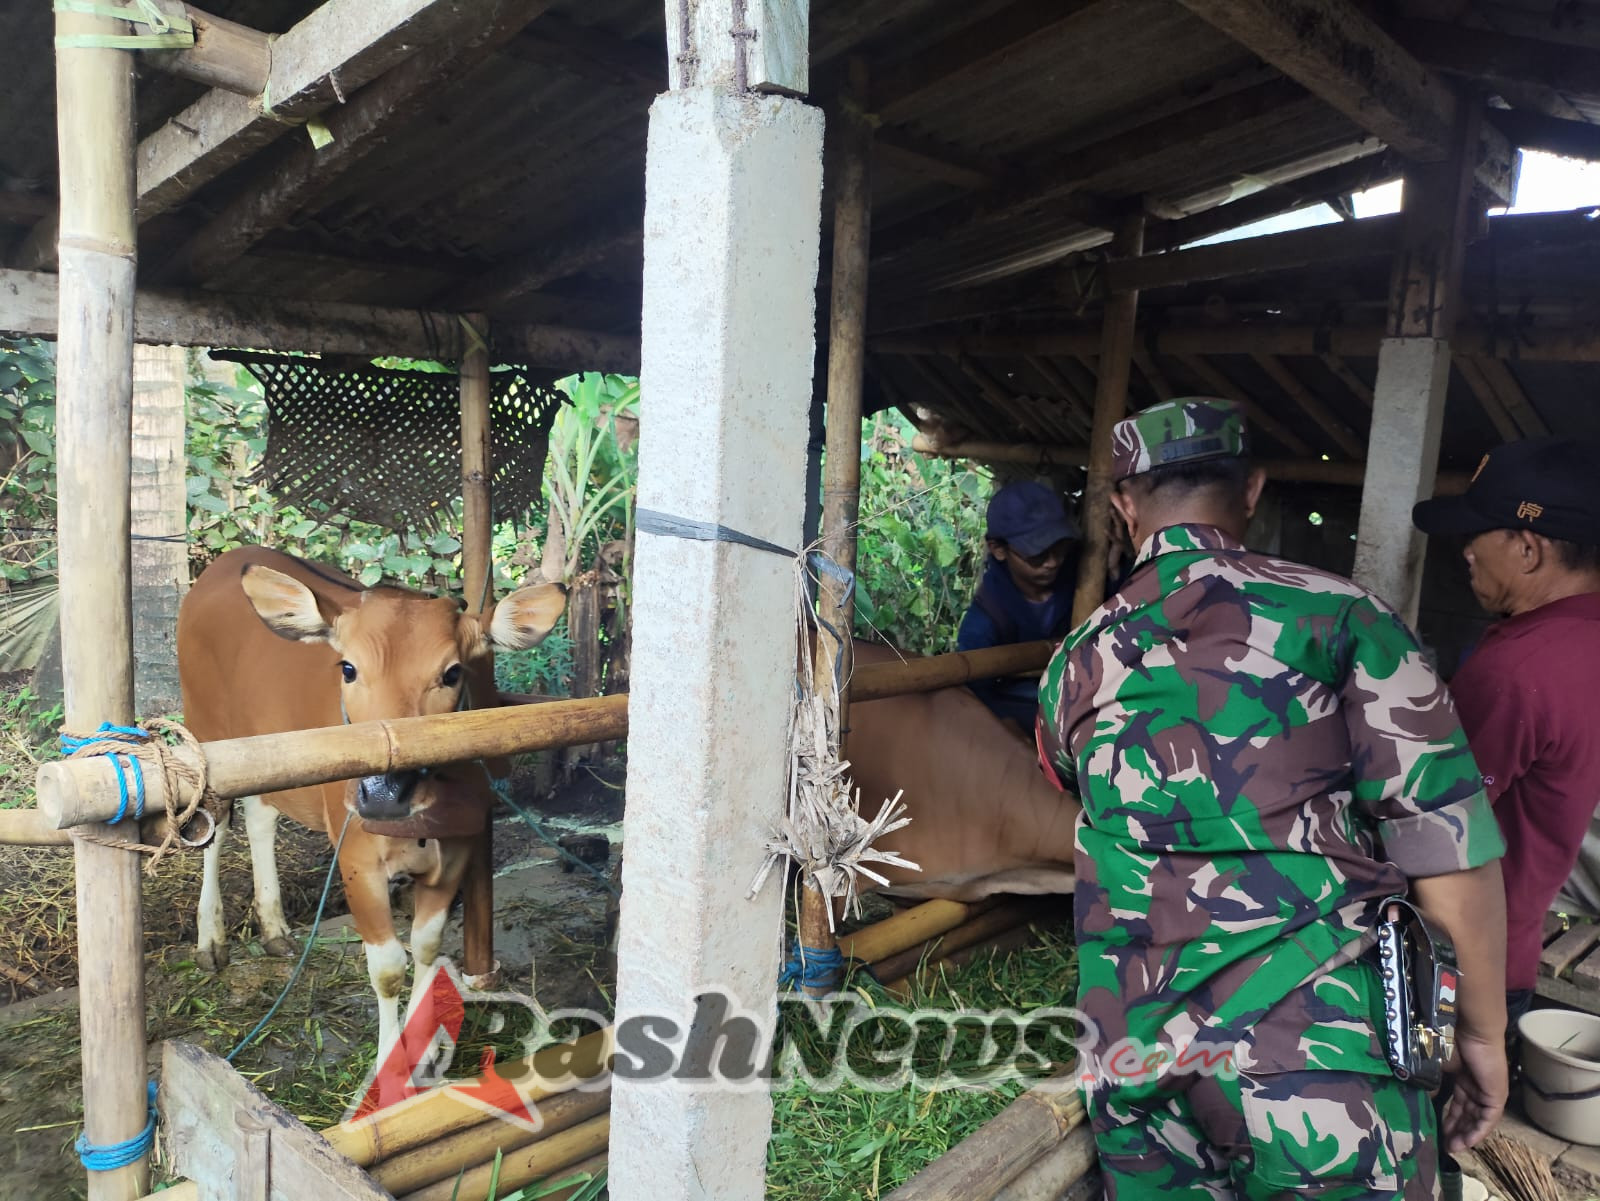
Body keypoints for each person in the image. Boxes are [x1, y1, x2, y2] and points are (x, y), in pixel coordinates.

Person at [1036, 398, 1508, 1200]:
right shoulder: (1350, 619)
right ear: (1251, 488)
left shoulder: (1073, 663)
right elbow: (1450, 856)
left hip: (1137, 1066)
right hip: (1316, 1059)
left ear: (1124, 504)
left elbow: (1068, 782)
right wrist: (1483, 1035)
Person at [1412, 436, 1600, 1031]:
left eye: (1478, 534)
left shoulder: (1519, 666)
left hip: (1455, 964)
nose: (1465, 551)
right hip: (1513, 949)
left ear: (1526, 548)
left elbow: (1423, 823)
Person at [955, 480, 1080, 733]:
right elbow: (975, 697)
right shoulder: (984, 622)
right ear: (999, 550)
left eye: (1060, 548)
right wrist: (1003, 725)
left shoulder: (1085, 575)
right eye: (1038, 554)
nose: (1053, 562)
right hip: (1023, 717)